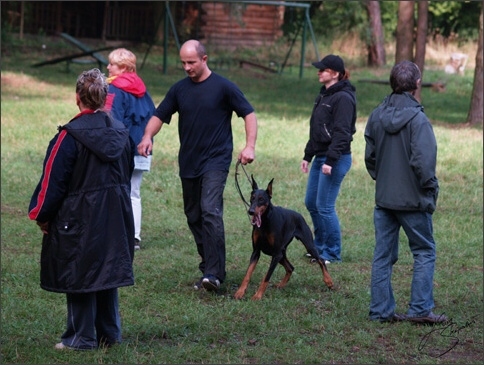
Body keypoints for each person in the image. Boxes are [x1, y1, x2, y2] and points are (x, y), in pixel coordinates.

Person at [137, 39, 257, 292]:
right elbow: (159, 115)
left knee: (210, 210)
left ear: (204, 59)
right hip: (189, 161)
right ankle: (209, 266)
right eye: (183, 63)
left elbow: (248, 113)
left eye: (191, 62)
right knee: (194, 215)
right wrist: (148, 136)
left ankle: (214, 273)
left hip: (216, 160)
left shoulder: (224, 87)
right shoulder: (180, 89)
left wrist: (249, 146)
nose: (187, 67)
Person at [28, 68, 135, 349]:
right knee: (106, 270)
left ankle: (80, 337)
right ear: (105, 98)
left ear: (78, 98)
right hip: (116, 215)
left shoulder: (69, 136)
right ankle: (109, 334)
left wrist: (41, 215)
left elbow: (52, 183)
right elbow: (127, 174)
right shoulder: (123, 134)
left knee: (80, 273)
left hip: (80, 217)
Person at [364, 60, 447, 324]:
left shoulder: (376, 115)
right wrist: (430, 188)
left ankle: (380, 311)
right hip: (413, 200)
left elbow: (371, 157)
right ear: (417, 84)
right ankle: (420, 310)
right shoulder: (419, 120)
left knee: (382, 255)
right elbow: (424, 163)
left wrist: (384, 178)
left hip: (385, 199)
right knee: (424, 251)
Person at [300, 55, 356, 264]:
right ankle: (319, 246)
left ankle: (332, 252)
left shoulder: (343, 98)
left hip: (336, 158)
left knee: (324, 206)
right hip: (321, 157)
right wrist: (308, 155)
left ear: (334, 73)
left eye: (322, 70)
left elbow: (343, 133)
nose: (318, 72)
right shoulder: (324, 95)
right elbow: (316, 129)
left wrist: (330, 161)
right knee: (311, 202)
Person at [105, 48, 156, 250]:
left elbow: (111, 119)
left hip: (121, 150)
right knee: (133, 191)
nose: (108, 67)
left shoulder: (114, 89)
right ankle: (134, 236)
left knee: (116, 190)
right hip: (143, 148)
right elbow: (154, 116)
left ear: (124, 68)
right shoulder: (143, 89)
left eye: (112, 64)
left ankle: (117, 233)